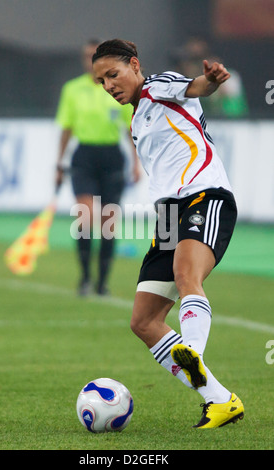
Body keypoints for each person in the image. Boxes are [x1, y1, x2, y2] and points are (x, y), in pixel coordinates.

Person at [92, 39, 245, 428]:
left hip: (205, 197)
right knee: (144, 322)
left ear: (135, 65)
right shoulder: (136, 118)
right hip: (168, 215)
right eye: (101, 81)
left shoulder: (159, 86)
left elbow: (196, 87)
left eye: (113, 74)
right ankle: (220, 400)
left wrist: (210, 80)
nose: (108, 85)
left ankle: (191, 349)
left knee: (186, 276)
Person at [55, 39, 140, 296]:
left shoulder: (115, 88)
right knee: (85, 215)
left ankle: (102, 282)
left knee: (108, 222)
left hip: (112, 158)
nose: (88, 60)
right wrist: (59, 164)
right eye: (86, 56)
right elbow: (66, 128)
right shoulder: (72, 89)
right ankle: (84, 277)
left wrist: (136, 163)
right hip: (84, 157)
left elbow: (130, 128)